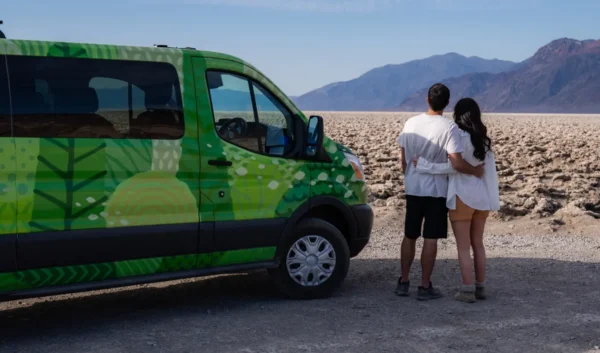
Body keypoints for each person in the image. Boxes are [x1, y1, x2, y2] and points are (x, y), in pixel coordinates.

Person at [396, 83, 484, 301]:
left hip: (413, 187)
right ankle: (425, 286)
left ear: (427, 100)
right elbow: (457, 162)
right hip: (436, 190)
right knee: (431, 237)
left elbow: (403, 159)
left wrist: (410, 174)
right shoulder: (448, 128)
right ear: (446, 103)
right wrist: (474, 171)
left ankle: (404, 281)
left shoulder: (410, 123)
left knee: (410, 234)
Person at [412, 97, 500, 303]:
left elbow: (453, 166)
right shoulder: (484, 139)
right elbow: (486, 172)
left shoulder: (457, 137)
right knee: (478, 244)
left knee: (463, 246)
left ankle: (467, 290)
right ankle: (480, 287)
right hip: (481, 197)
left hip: (461, 196)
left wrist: (424, 165)